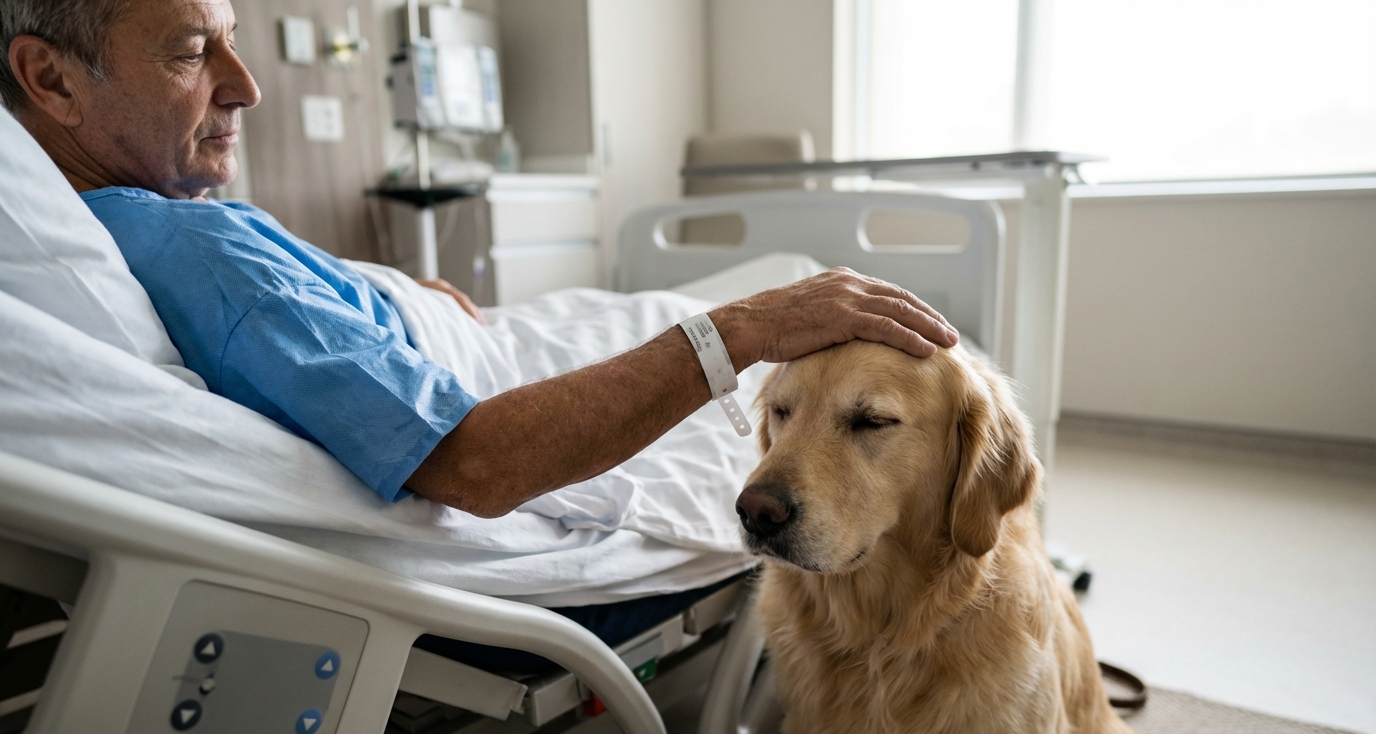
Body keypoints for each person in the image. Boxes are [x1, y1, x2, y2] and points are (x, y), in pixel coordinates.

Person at [0, 0, 957, 517]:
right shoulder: (191, 248)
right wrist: (745, 330)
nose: (245, 87)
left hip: (474, 332)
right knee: (823, 325)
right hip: (495, 373)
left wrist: (384, 292)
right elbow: (475, 464)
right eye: (190, 53)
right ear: (49, 79)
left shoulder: (148, 224)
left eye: (234, 43)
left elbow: (286, 321)